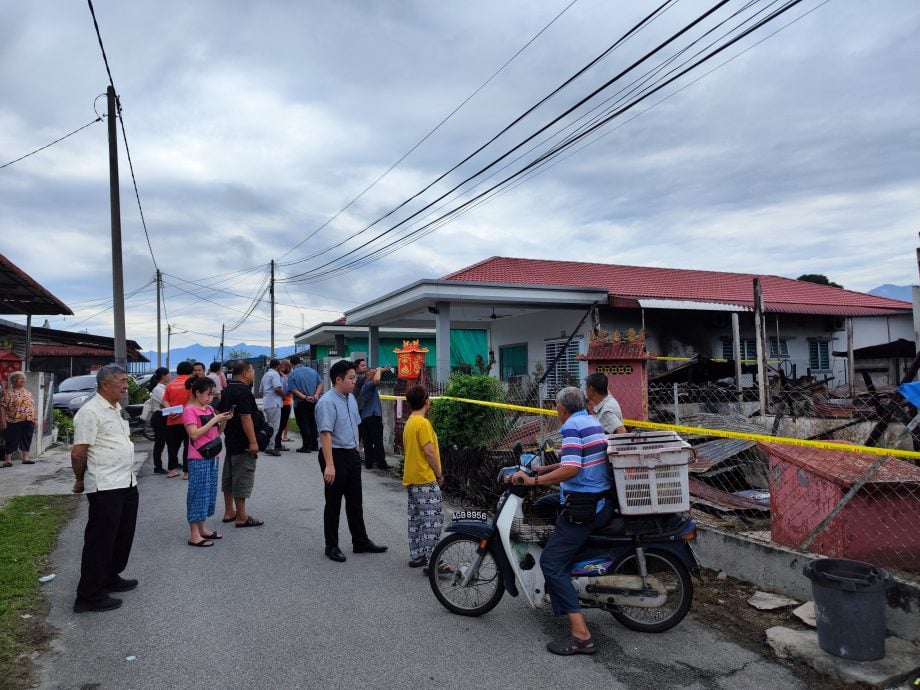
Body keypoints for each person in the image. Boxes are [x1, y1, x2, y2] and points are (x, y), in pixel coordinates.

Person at [510, 386, 613, 656]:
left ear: (563, 408)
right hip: (597, 498)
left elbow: (572, 468)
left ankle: (582, 636)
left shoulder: (571, 427)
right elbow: (574, 462)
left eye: (556, 406)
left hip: (585, 506)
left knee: (551, 563)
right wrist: (545, 468)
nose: (556, 411)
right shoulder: (590, 420)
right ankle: (563, 587)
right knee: (545, 506)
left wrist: (535, 480)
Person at [71, 364, 139, 613]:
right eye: (121, 381)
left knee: (122, 536)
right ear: (104, 384)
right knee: (100, 541)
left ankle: (110, 577)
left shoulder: (115, 408)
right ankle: (88, 596)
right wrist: (80, 479)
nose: (126, 385)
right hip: (105, 485)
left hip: (126, 481)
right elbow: (79, 453)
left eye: (126, 380)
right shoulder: (91, 411)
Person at [314, 359, 387, 563]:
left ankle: (360, 541)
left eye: (355, 377)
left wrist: (356, 449)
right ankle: (332, 546)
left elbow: (355, 425)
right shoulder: (327, 402)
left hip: (351, 454)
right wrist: (329, 464)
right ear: (338, 379)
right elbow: (326, 434)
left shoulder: (350, 399)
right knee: (334, 503)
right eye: (351, 378)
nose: (355, 381)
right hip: (334, 455)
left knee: (356, 501)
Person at [183, 377, 233, 547]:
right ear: (197, 392)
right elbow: (194, 434)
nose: (210, 398)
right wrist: (214, 419)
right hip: (198, 458)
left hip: (213, 456)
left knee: (208, 494)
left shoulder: (210, 409)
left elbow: (217, 433)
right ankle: (194, 534)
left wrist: (224, 419)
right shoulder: (190, 410)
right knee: (197, 494)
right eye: (207, 394)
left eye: (212, 394)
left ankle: (203, 528)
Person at [215, 360, 264, 528]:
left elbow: (220, 413)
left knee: (229, 476)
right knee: (242, 477)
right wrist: (253, 441)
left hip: (231, 440)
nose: (252, 374)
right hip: (243, 442)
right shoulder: (243, 391)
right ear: (244, 373)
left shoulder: (228, 389)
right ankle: (242, 516)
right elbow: (245, 417)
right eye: (251, 371)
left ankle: (229, 511)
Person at [401, 385, 444, 569]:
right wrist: (439, 473)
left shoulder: (410, 422)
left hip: (411, 477)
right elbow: (429, 452)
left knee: (416, 519)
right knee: (433, 520)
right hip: (425, 478)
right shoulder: (423, 423)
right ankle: (434, 560)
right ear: (426, 401)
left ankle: (419, 555)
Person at [163, 361, 193, 478]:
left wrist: (170, 409)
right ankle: (186, 472)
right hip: (187, 420)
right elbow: (191, 400)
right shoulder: (190, 384)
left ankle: (171, 470)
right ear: (190, 371)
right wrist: (183, 411)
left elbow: (165, 400)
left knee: (172, 447)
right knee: (188, 446)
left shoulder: (170, 385)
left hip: (172, 420)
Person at [0, 371, 37, 467]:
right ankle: (8, 460)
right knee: (11, 439)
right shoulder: (8, 393)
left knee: (27, 438)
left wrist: (35, 419)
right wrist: (3, 421)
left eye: (23, 378)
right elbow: (2, 407)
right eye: (20, 378)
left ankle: (26, 458)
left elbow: (32, 406)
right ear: (14, 381)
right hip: (13, 420)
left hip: (28, 420)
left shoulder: (28, 393)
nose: (23, 380)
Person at [359, 366, 391, 470]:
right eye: (374, 373)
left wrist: (383, 370)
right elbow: (377, 380)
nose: (377, 375)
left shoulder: (365, 386)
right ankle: (381, 463)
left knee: (368, 442)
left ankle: (369, 463)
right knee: (377, 441)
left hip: (365, 417)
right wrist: (380, 370)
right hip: (372, 417)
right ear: (369, 375)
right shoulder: (369, 385)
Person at [288, 355, 322, 453]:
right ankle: (314, 445)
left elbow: (293, 390)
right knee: (312, 422)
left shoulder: (292, 374)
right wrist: (316, 395)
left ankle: (306, 446)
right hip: (313, 401)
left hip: (301, 402)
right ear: (300, 362)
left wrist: (305, 397)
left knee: (303, 423)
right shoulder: (312, 371)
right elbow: (320, 383)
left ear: (291, 364)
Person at [142, 368, 170, 474]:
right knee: (160, 443)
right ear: (163, 376)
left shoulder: (163, 387)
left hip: (164, 415)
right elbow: (165, 402)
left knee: (169, 441)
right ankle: (157, 466)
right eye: (168, 374)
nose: (169, 376)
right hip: (160, 416)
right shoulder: (158, 389)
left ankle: (173, 462)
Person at [259, 358, 284, 456]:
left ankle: (265, 444)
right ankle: (270, 447)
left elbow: (261, 392)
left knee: (268, 425)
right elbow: (277, 388)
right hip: (274, 403)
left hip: (266, 402)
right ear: (278, 366)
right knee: (274, 426)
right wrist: (283, 395)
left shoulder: (265, 375)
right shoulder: (275, 374)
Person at [275, 359, 293, 447]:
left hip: (281, 402)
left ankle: (278, 440)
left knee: (279, 423)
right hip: (285, 402)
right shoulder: (283, 376)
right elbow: (287, 389)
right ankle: (278, 442)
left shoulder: (277, 375)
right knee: (282, 423)